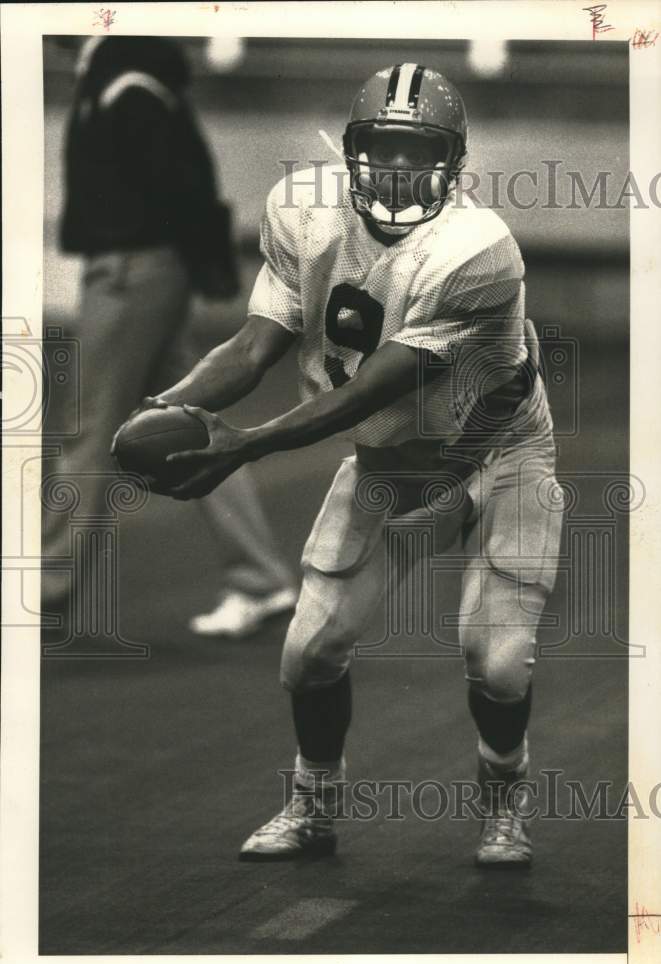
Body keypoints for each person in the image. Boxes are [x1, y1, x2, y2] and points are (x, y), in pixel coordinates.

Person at [121, 63, 563, 865]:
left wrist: (243, 444)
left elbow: (369, 388)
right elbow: (252, 346)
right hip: (392, 455)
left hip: (496, 451)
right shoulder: (303, 210)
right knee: (309, 650)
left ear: (453, 160)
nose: (396, 166)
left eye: (417, 150)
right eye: (381, 146)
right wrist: (168, 407)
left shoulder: (476, 250)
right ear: (351, 147)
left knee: (496, 662)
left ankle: (504, 805)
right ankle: (312, 808)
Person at [43, 36, 297, 637]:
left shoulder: (126, 86)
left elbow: (182, 187)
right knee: (187, 422)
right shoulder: (130, 81)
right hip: (145, 271)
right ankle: (261, 578)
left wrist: (188, 267)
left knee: (89, 427)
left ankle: (44, 589)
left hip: (130, 273)